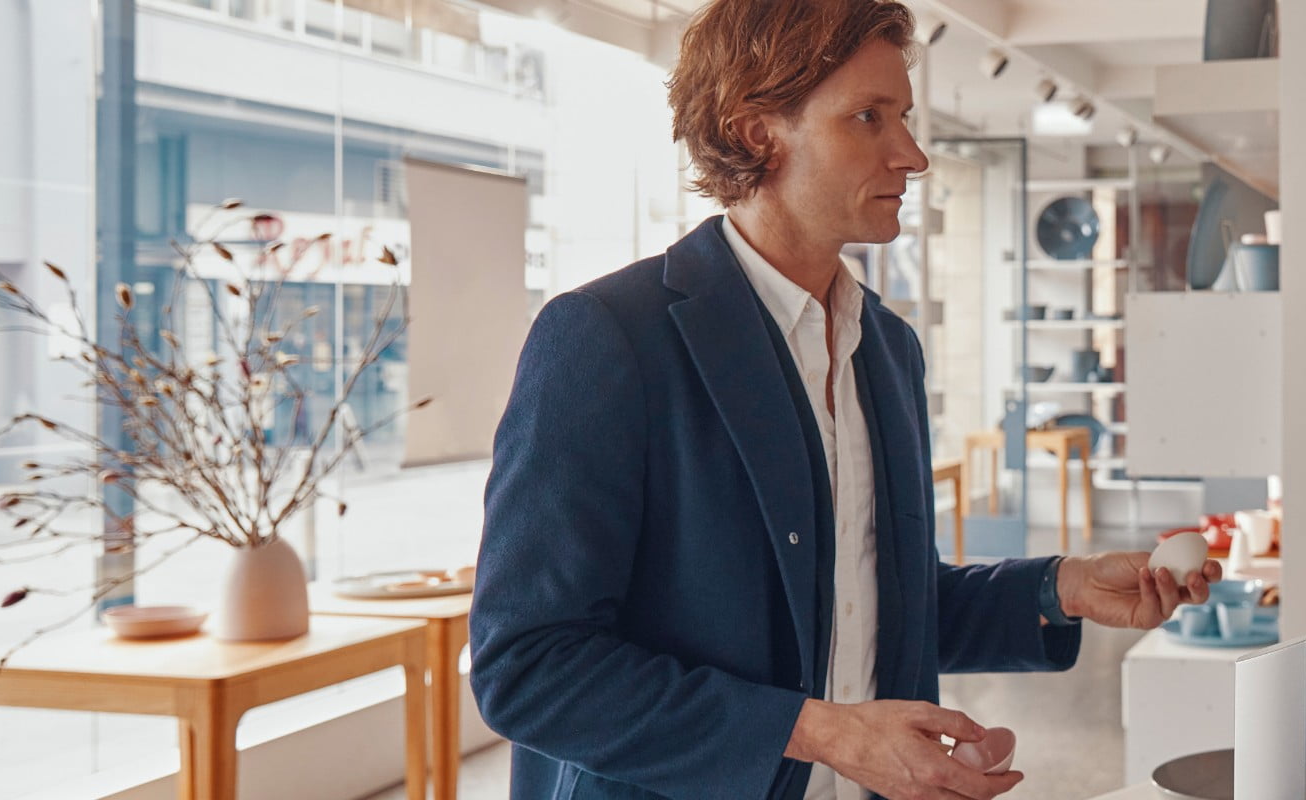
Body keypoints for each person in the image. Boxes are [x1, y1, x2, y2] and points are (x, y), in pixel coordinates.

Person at [468, 2, 1220, 798]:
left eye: (904, 117)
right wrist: (823, 733)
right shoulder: (607, 338)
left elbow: (868, 599)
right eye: (869, 117)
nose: (913, 155)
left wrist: (1060, 587)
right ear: (758, 129)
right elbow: (530, 667)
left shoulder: (885, 347)